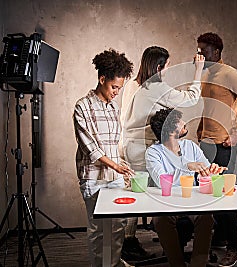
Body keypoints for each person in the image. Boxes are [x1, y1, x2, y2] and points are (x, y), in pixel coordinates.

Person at [119, 46, 205, 261]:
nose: (167, 70)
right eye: (167, 66)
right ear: (159, 67)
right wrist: (198, 70)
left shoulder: (133, 84)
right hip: (141, 147)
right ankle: (133, 244)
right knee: (152, 194)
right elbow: (191, 98)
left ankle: (130, 241)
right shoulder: (155, 87)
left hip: (126, 144)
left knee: (135, 191)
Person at [196, 32, 237, 266]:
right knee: (207, 194)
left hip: (225, 144)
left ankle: (234, 248)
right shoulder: (205, 74)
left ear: (216, 51)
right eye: (198, 49)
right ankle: (220, 238)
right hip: (206, 143)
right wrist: (201, 132)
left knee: (224, 196)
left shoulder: (230, 74)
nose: (199, 54)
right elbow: (207, 107)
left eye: (203, 50)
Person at [73, 49, 134, 267]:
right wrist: (116, 166)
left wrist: (122, 166)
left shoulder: (113, 108)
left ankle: (114, 263)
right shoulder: (83, 107)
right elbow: (92, 149)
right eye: (114, 87)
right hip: (93, 177)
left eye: (120, 87)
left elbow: (114, 144)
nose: (117, 92)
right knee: (99, 229)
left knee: (117, 226)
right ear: (102, 79)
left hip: (114, 176)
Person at [145, 108, 226, 267]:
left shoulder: (190, 146)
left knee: (206, 217)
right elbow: (163, 180)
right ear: (170, 131)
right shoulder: (153, 153)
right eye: (179, 121)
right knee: (161, 219)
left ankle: (198, 264)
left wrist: (211, 171)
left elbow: (206, 172)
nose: (184, 123)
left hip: (193, 200)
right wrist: (187, 167)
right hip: (168, 202)